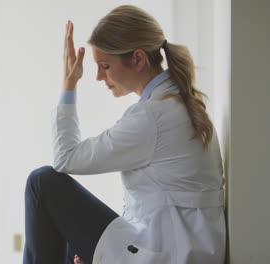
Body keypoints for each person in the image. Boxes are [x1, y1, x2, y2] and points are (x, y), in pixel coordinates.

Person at [23, 5, 226, 264]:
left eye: (105, 66)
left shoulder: (152, 116)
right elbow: (153, 208)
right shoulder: (180, 104)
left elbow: (66, 158)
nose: (98, 77)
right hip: (177, 249)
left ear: (138, 59)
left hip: (169, 255)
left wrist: (69, 83)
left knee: (42, 183)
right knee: (69, 236)